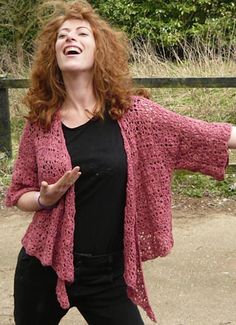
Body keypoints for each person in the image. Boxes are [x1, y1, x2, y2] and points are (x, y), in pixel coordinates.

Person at [5, 1, 236, 324]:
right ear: (53, 55)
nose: (70, 39)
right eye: (62, 36)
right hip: (44, 266)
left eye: (81, 33)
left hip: (106, 274)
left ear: (99, 50)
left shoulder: (134, 115)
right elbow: (19, 193)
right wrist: (44, 199)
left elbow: (206, 134)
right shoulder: (41, 123)